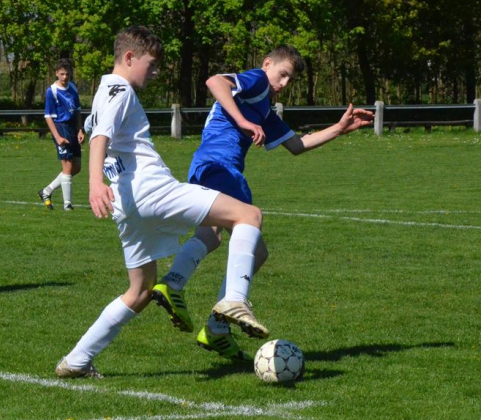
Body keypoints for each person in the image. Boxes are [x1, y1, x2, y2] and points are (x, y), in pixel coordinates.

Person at [55, 26, 265, 379]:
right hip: (151, 191)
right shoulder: (120, 90)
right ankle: (234, 299)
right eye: (151, 65)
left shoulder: (103, 90)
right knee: (248, 215)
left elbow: (95, 131)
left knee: (140, 291)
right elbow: (100, 136)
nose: (154, 73)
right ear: (129, 57)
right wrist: (93, 183)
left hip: (126, 204)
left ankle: (76, 360)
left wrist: (100, 181)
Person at [152, 45, 374, 361]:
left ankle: (179, 291)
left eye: (290, 81)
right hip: (219, 166)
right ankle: (216, 316)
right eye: (282, 74)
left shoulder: (265, 111)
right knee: (253, 244)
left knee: (214, 236)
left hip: (210, 167)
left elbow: (297, 145)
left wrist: (339, 128)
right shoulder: (256, 81)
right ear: (267, 64)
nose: (283, 84)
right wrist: (242, 121)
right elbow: (215, 82)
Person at [38, 59, 86, 211]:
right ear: (56, 74)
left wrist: (80, 129)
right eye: (62, 74)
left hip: (72, 128)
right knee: (67, 165)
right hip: (60, 127)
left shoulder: (72, 87)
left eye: (67, 74)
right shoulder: (51, 91)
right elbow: (48, 116)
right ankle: (68, 204)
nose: (65, 77)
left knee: (76, 167)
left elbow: (77, 109)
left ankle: (47, 191)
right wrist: (57, 137)